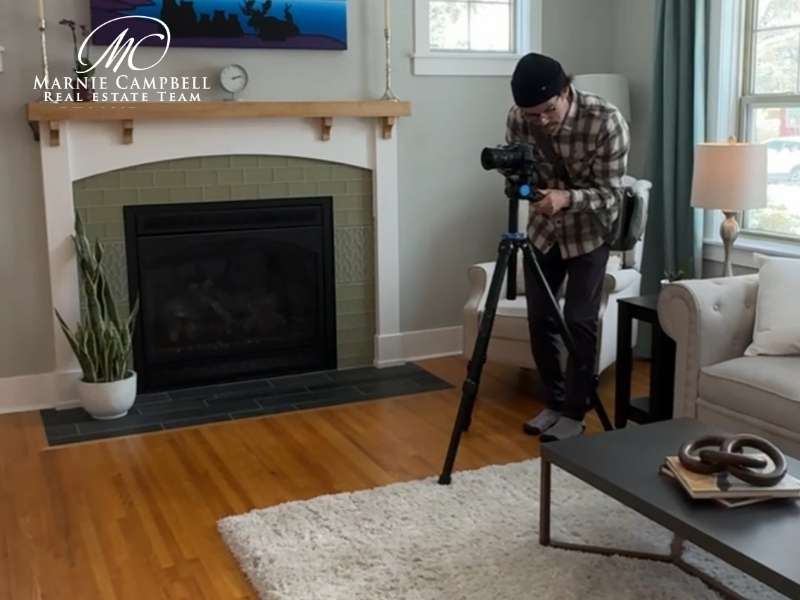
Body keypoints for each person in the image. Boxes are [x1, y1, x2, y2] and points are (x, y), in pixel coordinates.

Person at [506, 53, 630, 441]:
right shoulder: (518, 117)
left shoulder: (605, 121)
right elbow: (517, 173)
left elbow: (612, 194)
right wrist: (526, 188)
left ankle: (576, 411)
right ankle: (554, 402)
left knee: (579, 320)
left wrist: (566, 199)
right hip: (544, 231)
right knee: (540, 319)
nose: (540, 121)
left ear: (565, 91)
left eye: (547, 110)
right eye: (532, 116)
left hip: (591, 231)